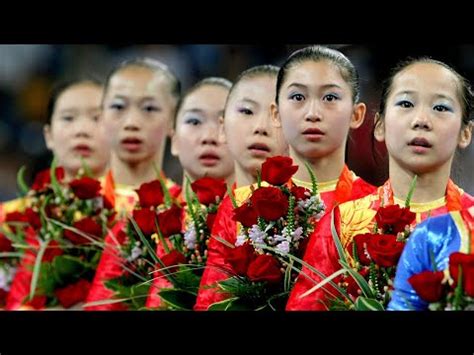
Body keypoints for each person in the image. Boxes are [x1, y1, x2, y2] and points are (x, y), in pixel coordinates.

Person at [287, 57, 474, 310]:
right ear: (380, 126)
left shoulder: (470, 225)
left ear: (466, 133)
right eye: (406, 103)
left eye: (440, 108)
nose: (421, 120)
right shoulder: (343, 223)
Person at [194, 65, 289, 310]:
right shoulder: (205, 220)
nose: (261, 126)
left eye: (276, 114)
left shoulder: (317, 213)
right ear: (222, 128)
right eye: (247, 110)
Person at [145, 77, 235, 308]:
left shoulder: (267, 227)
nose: (209, 137)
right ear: (173, 140)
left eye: (224, 123)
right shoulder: (142, 222)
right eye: (194, 121)